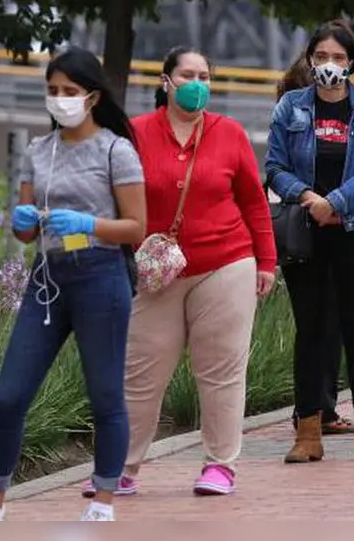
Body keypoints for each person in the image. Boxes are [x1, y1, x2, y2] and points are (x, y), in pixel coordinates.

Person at [0, 47, 147, 522]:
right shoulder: (38, 151)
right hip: (47, 279)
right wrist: (21, 221)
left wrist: (87, 224)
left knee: (105, 394)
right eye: (52, 90)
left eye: (69, 90)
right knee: (9, 394)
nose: (59, 98)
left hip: (100, 276)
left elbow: (136, 227)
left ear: (92, 97)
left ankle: (104, 499)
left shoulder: (115, 150)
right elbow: (25, 232)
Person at [117, 47, 276, 497]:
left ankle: (219, 466)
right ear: (165, 81)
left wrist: (266, 261)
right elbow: (117, 196)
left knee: (222, 371)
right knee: (140, 373)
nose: (197, 83)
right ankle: (119, 467)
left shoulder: (229, 133)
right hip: (156, 271)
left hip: (226, 263)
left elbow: (253, 201)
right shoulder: (135, 133)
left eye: (204, 76)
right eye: (187, 75)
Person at [266, 22, 354, 463]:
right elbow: (274, 166)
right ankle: (308, 433)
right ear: (309, 60)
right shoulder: (291, 106)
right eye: (321, 57)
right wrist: (308, 198)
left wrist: (335, 202)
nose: (329, 66)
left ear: (352, 61)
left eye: (338, 58)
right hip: (305, 232)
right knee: (310, 332)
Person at [277, 54, 354, 436]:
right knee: (320, 323)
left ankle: (316, 407)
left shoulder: (350, 114)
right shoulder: (294, 119)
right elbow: (277, 170)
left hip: (333, 224)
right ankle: (315, 408)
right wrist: (318, 200)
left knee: (323, 323)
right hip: (313, 226)